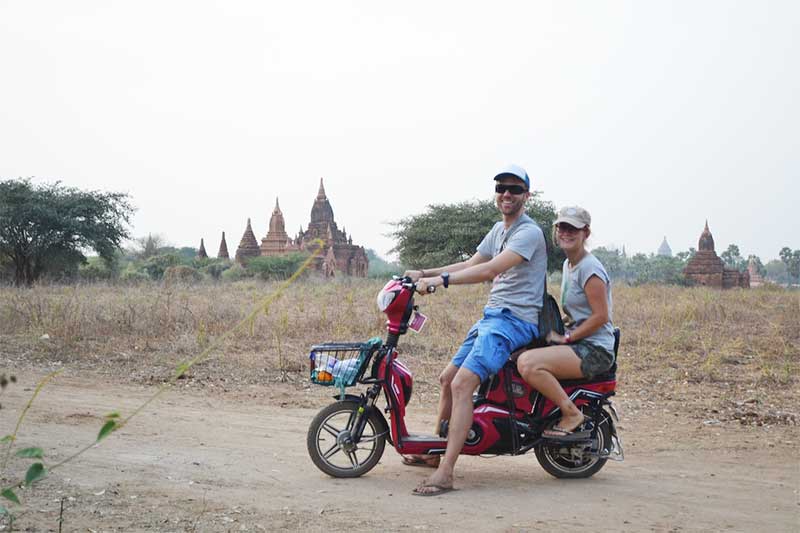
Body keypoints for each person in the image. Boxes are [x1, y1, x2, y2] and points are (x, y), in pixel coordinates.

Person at [404, 164, 548, 496]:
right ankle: (435, 451)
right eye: (501, 189)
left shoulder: (529, 232)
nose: (506, 195)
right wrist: (424, 272)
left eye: (514, 189)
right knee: (446, 378)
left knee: (463, 383)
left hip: (514, 321)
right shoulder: (498, 230)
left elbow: (490, 270)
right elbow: (471, 263)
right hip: (492, 317)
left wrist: (439, 282)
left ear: (526, 195)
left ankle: (447, 472)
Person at [516, 206, 615, 440]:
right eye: (562, 227)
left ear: (586, 233)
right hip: (580, 342)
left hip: (594, 349)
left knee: (528, 364)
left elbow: (601, 316)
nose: (566, 233)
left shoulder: (590, 269)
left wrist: (568, 337)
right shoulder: (569, 264)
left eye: (573, 228)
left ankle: (572, 414)